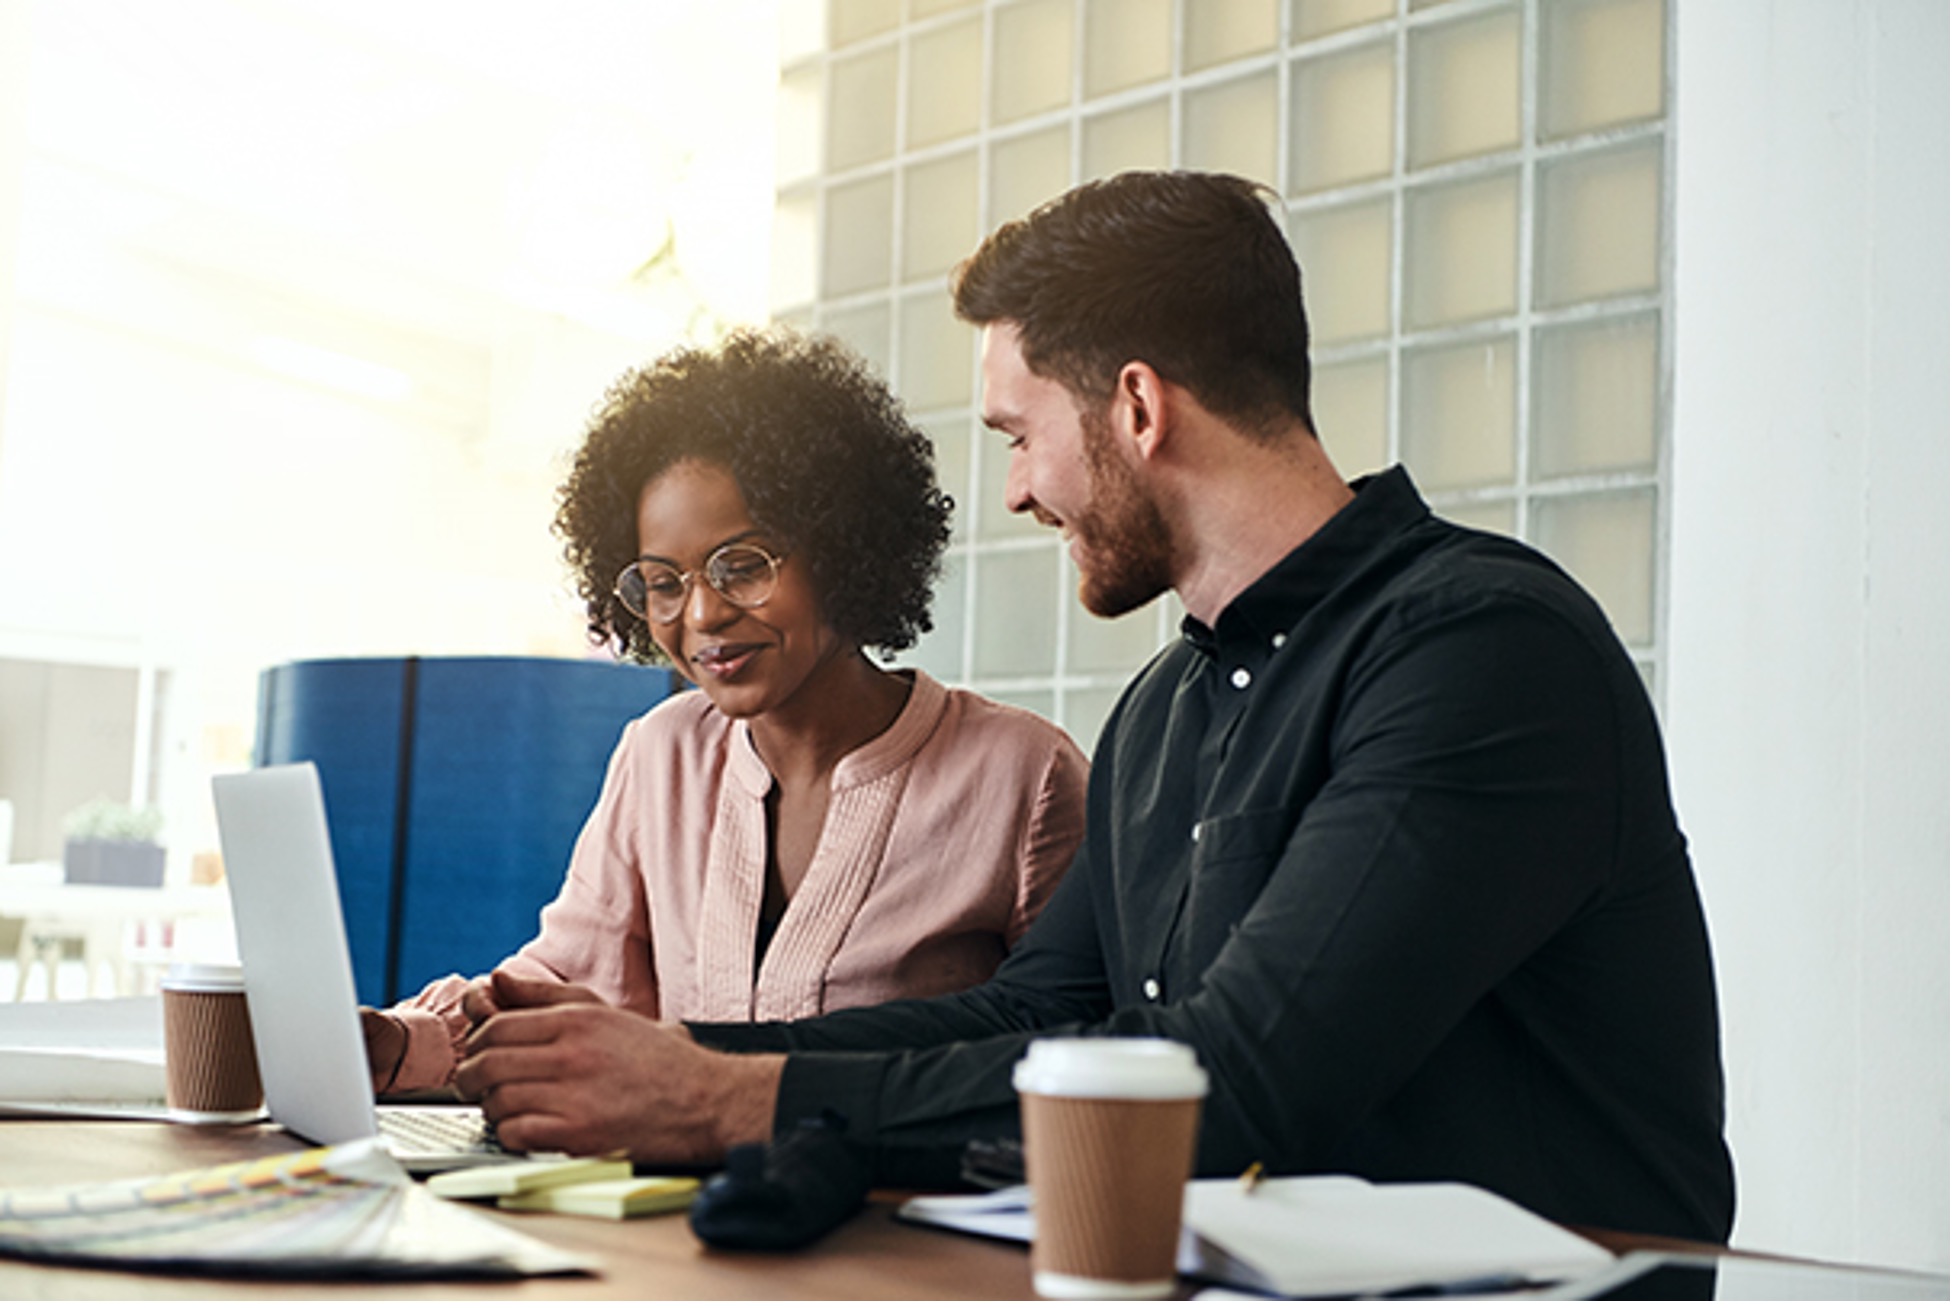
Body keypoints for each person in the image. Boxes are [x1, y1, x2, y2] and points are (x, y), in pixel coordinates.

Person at [452, 173, 1737, 1244]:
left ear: (1135, 405)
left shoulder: (1477, 650)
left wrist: (726, 1103)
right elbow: (1037, 1015)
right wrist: (673, 1060)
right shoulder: (1166, 707)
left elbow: (1233, 1086)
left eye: (1019, 434)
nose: (1015, 493)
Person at [361, 327, 1089, 1094]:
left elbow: (1077, 1043)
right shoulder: (661, 753)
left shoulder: (1025, 774)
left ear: (843, 549)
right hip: (673, 1209)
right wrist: (388, 1042)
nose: (701, 614)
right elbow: (562, 983)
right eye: (663, 581)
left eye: (742, 566)